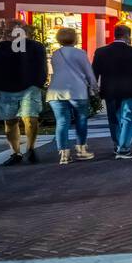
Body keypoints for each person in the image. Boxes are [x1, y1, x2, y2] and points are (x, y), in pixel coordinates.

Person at [0, 20, 48, 165]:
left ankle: (31, 148)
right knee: (10, 121)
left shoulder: (36, 46)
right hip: (5, 88)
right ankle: (15, 153)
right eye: (13, 30)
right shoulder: (1, 47)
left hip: (30, 87)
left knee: (31, 119)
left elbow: (42, 66)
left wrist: (38, 83)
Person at [92, 24, 132, 159]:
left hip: (109, 90)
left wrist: (94, 89)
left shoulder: (101, 52)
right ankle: (123, 148)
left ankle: (117, 144)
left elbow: (94, 72)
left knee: (113, 118)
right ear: (128, 36)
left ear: (115, 35)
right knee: (128, 118)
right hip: (131, 90)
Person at [46, 26, 98, 164]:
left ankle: (64, 154)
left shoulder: (56, 54)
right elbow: (88, 72)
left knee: (62, 122)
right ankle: (81, 150)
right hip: (77, 90)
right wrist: (95, 88)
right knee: (81, 120)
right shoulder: (80, 53)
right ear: (75, 38)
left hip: (56, 91)